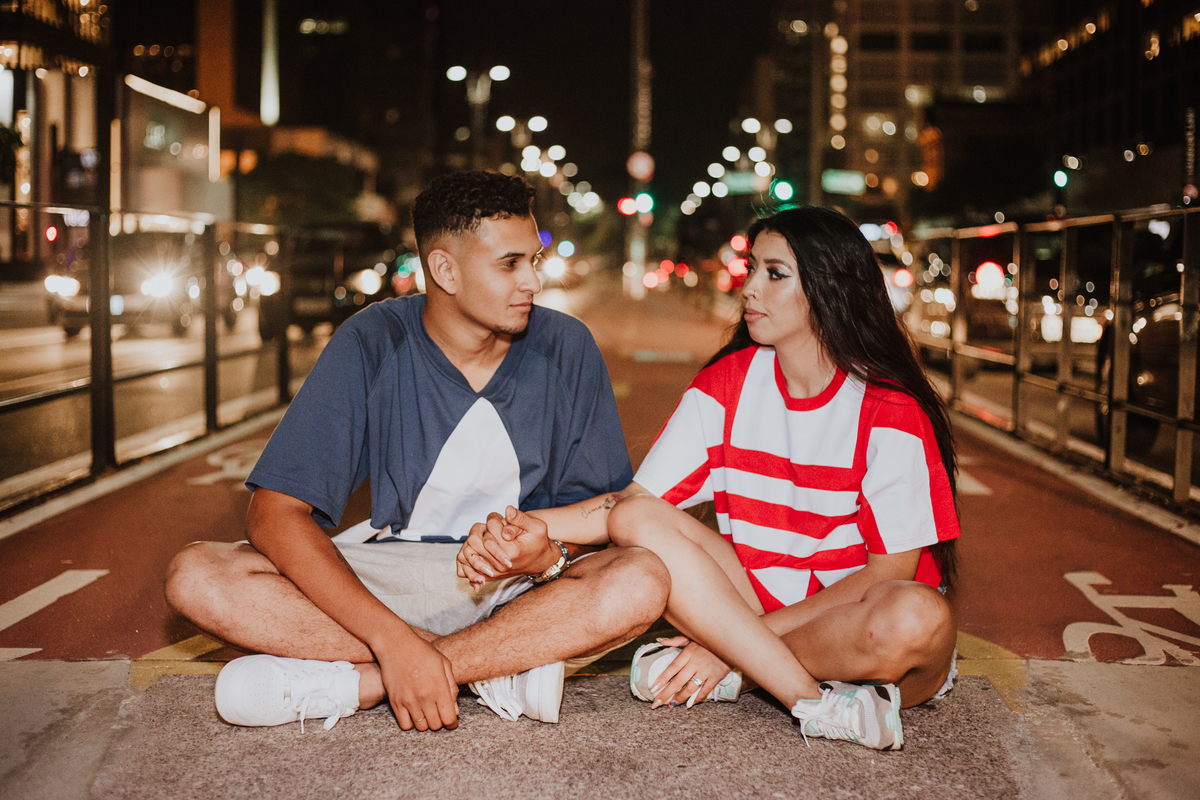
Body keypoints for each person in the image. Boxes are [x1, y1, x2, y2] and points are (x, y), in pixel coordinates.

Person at [164, 170, 669, 734]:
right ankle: (492, 668)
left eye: (533, 260)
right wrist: (391, 638)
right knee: (198, 574)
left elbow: (604, 511)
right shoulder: (372, 340)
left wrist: (544, 556)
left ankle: (366, 682)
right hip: (393, 575)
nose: (532, 281)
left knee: (641, 579)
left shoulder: (566, 345)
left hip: (519, 590)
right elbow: (274, 514)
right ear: (444, 270)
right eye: (509, 264)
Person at [457, 205, 960, 751]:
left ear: (830, 289)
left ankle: (739, 671)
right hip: (750, 601)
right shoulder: (728, 383)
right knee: (636, 517)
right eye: (752, 269)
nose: (749, 288)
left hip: (850, 622)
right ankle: (809, 697)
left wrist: (728, 648)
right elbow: (631, 505)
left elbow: (887, 575)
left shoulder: (889, 410)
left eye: (774, 273)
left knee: (916, 617)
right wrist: (522, 524)